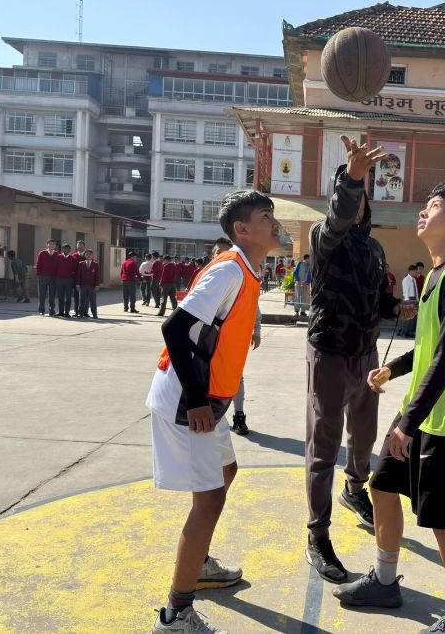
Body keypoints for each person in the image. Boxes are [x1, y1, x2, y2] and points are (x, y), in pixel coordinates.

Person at [333, 182, 445, 634]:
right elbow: (431, 348)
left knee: (444, 523)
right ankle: (385, 581)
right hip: (424, 410)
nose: (423, 213)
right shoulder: (441, 276)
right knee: (382, 487)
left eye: (433, 206)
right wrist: (394, 370)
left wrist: (408, 421)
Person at [146, 190, 281, 634]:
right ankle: (176, 614)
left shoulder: (246, 271)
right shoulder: (228, 270)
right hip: (191, 402)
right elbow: (175, 326)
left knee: (226, 472)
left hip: (211, 401)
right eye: (266, 217)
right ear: (242, 229)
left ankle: (198, 564)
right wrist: (199, 401)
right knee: (209, 501)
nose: (275, 223)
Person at [304, 135, 413, 584]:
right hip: (330, 351)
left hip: (367, 353)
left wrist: (395, 308)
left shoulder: (373, 249)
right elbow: (336, 219)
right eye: (353, 195)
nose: (359, 204)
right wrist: (351, 177)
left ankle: (354, 490)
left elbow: (377, 297)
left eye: (364, 196)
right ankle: (318, 534)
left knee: (364, 435)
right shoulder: (324, 238)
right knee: (323, 446)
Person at [211, 236, 262, 438]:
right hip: (207, 344)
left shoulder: (240, 277)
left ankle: (238, 415)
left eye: (226, 251)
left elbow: (254, 309)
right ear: (212, 256)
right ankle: (214, 417)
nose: (223, 255)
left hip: (231, 342)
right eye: (218, 252)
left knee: (235, 379)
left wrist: (256, 331)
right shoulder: (205, 278)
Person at [35, 239, 59, 316]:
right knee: (42, 294)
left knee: (52, 294)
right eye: (50, 244)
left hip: (53, 278)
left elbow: (58, 266)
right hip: (43, 276)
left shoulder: (57, 254)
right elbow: (38, 264)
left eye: (54, 244)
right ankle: (41, 310)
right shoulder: (42, 253)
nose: (52, 245)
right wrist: (39, 274)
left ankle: (52, 309)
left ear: (55, 246)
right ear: (47, 244)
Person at [55, 243, 78, 318]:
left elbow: (75, 270)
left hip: (69, 280)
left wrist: (72, 277)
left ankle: (67, 312)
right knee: (60, 297)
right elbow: (55, 268)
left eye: (68, 249)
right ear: (62, 249)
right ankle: (61, 312)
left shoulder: (73, 259)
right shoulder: (58, 257)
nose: (66, 250)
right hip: (59, 280)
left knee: (68, 297)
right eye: (64, 248)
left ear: (70, 250)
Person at [76, 249, 100, 319]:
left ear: (92, 255)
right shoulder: (81, 263)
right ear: (85, 255)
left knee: (93, 301)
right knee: (82, 300)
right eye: (87, 254)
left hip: (92, 286)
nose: (88, 255)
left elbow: (97, 275)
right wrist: (78, 284)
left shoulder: (95, 264)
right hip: (83, 285)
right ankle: (81, 314)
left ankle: (94, 314)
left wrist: (97, 285)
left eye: (90, 254)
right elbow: (78, 275)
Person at [399, 265, 419, 337]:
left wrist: (417, 299)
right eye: (415, 271)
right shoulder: (406, 279)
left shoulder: (414, 279)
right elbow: (406, 291)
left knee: (413, 316)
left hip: (414, 299)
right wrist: (407, 302)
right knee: (407, 316)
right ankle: (404, 332)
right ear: (411, 271)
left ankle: (410, 332)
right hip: (408, 299)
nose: (416, 273)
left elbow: (416, 291)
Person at [293, 254, 312, 319]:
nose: (310, 260)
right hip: (298, 283)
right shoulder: (300, 264)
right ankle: (297, 311)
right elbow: (295, 273)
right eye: (310, 258)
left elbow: (310, 275)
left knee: (304, 298)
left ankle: (303, 311)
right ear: (306, 258)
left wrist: (307, 282)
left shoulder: (310, 266)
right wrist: (298, 280)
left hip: (305, 285)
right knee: (297, 297)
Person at [72, 240, 86, 315]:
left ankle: (84, 311)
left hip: (85, 279)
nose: (79, 246)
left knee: (84, 296)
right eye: (78, 245)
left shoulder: (87, 255)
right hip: (75, 278)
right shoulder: (74, 255)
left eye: (81, 245)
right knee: (76, 295)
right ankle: (76, 311)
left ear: (84, 246)